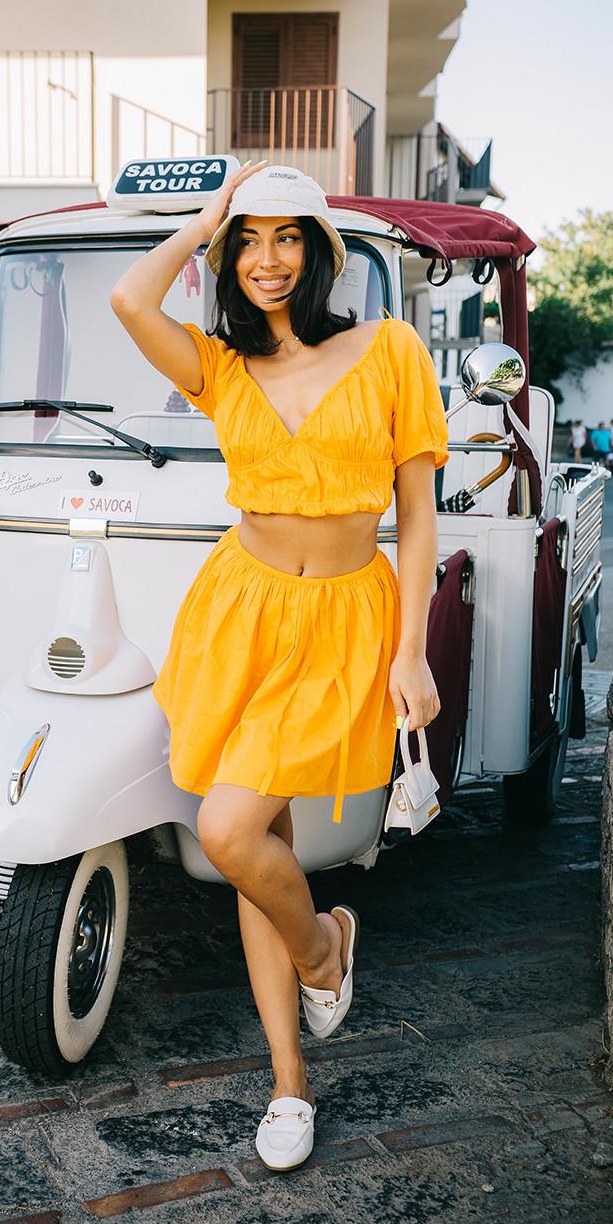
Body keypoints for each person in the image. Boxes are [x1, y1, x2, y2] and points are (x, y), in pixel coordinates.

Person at [109, 161, 448, 1173]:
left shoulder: (388, 349)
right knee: (247, 843)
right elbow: (130, 297)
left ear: (318, 249)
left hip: (344, 619)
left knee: (233, 832)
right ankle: (292, 1072)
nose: (266, 259)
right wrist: (199, 220)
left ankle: (320, 951)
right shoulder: (217, 365)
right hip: (243, 614)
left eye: (287, 236)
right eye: (246, 241)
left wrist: (413, 650)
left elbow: (419, 517)